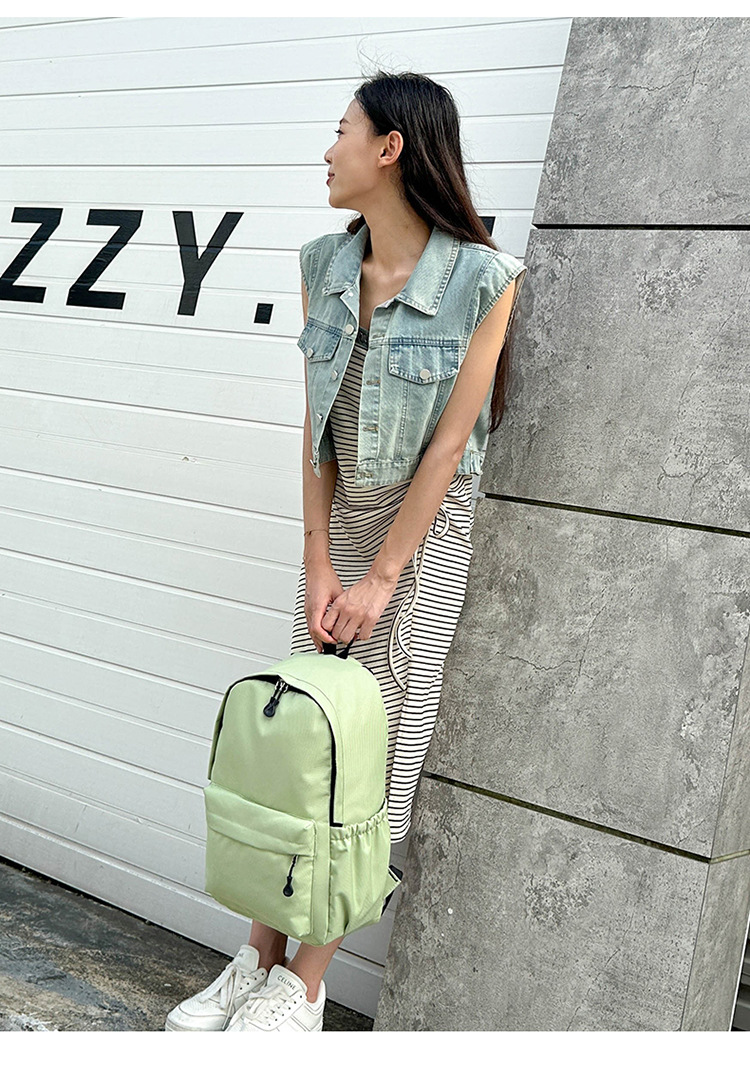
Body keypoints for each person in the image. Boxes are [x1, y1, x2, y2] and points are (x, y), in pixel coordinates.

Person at [166, 69, 527, 1034]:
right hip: (341, 535)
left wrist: (382, 577)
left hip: (418, 542)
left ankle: (305, 986)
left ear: (390, 148)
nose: (327, 152)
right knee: (295, 742)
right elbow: (316, 427)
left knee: (363, 759)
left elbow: (450, 449)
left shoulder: (485, 280)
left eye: (342, 131)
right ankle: (256, 957)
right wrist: (321, 561)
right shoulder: (323, 262)